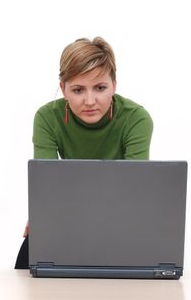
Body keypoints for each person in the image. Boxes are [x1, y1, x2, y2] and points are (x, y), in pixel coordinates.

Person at [14, 37, 153, 269]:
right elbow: (47, 185)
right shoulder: (47, 118)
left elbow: (134, 191)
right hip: (68, 214)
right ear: (63, 89)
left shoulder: (136, 119)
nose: (90, 101)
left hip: (121, 217)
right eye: (78, 90)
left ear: (114, 85)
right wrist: (42, 213)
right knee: (31, 254)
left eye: (100, 88)